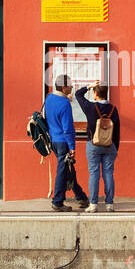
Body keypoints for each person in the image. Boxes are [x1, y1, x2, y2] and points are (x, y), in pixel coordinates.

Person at [45, 75, 89, 211]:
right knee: (62, 171)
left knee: (69, 169)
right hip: (64, 142)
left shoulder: (49, 99)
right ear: (64, 88)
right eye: (70, 85)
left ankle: (81, 197)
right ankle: (57, 202)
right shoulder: (64, 104)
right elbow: (68, 129)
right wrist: (72, 147)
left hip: (54, 140)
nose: (72, 87)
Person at [76, 84, 119, 211]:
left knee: (94, 173)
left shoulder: (90, 107)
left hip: (93, 144)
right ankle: (109, 204)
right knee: (109, 173)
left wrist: (88, 86)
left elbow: (78, 94)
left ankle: (93, 204)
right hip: (110, 145)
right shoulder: (113, 109)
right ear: (106, 93)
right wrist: (116, 147)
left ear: (95, 93)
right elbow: (117, 130)